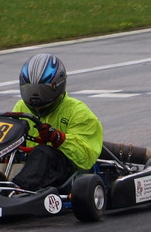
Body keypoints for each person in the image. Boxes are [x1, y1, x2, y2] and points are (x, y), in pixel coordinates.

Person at [10, 53, 103, 191]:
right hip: (29, 165)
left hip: (65, 172)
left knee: (43, 151)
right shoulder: (21, 107)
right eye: (29, 90)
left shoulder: (79, 112)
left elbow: (86, 158)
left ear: (58, 86)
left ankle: (18, 190)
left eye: (43, 90)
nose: (36, 97)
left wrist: (58, 138)